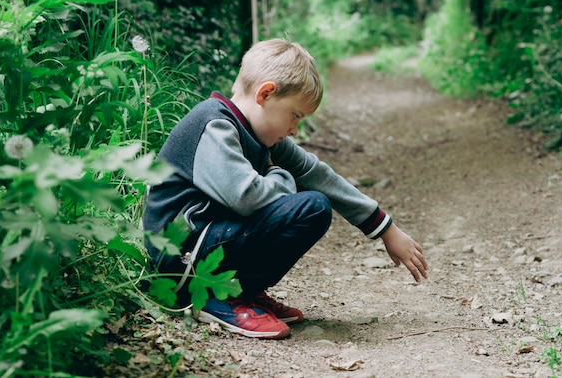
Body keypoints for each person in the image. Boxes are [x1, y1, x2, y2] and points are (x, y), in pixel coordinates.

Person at [142, 38, 428, 339]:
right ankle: (218, 298)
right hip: (177, 258)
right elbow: (247, 197)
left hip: (206, 241)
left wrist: (385, 228)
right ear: (265, 93)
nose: (294, 130)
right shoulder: (215, 124)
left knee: (315, 206)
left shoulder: (255, 132)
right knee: (311, 207)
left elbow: (315, 173)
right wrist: (280, 173)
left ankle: (241, 290)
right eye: (295, 116)